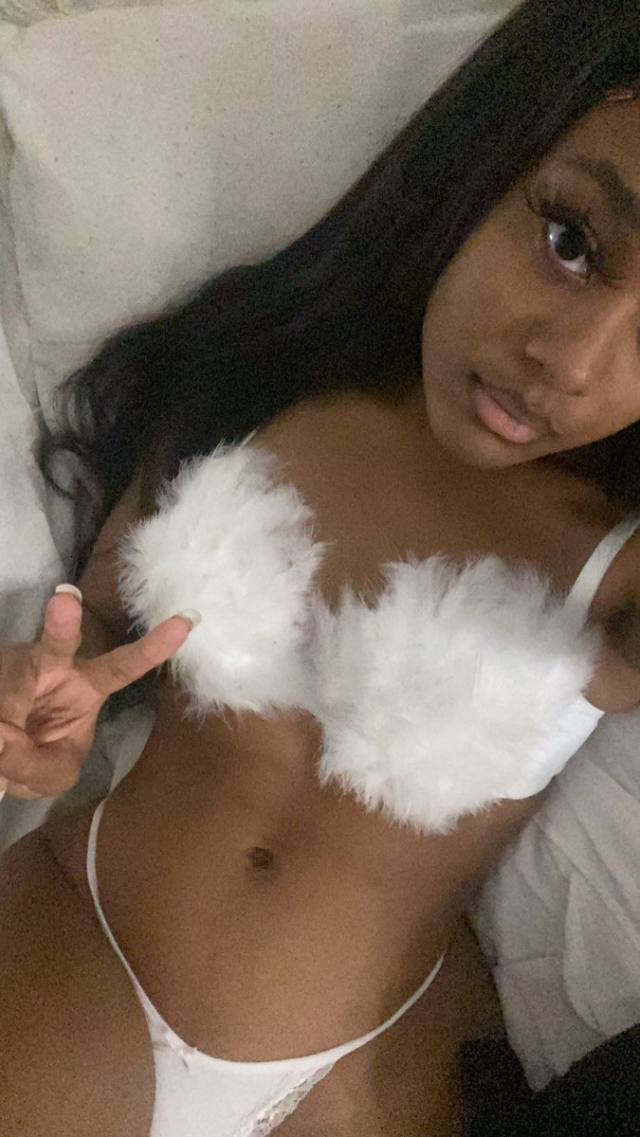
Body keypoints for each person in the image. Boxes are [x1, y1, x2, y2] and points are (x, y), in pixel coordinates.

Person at [2, 1, 640, 1134]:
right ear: (482, 167)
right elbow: (94, 616)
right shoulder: (255, 374)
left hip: (375, 1066)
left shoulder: (620, 559)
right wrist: (47, 694)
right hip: (76, 940)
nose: (570, 363)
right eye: (570, 242)